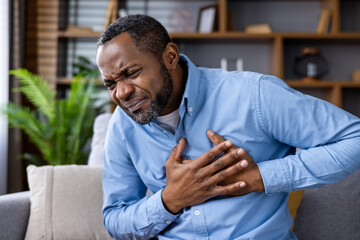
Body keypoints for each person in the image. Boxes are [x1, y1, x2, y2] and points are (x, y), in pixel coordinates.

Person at [96, 14, 360, 240]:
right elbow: (116, 218)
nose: (122, 92)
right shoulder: (123, 127)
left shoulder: (254, 95)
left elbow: (354, 138)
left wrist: (261, 178)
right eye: (110, 84)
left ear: (170, 56)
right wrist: (170, 200)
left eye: (131, 72)